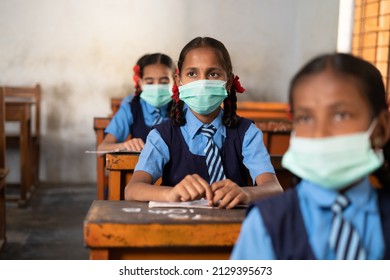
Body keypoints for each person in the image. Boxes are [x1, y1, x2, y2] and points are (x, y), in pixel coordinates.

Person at [231, 53, 390, 259]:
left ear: (381, 128)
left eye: (341, 115)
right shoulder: (266, 223)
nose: (320, 134)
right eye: (305, 118)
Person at [125, 37, 283, 209]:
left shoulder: (246, 133)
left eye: (213, 74)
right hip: (178, 228)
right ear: (179, 81)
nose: (202, 83)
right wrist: (169, 194)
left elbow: (274, 188)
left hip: (235, 228)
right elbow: (132, 189)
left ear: (228, 82)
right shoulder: (162, 135)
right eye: (192, 74)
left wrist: (247, 193)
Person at [98, 53, 176, 152]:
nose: (157, 88)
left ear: (175, 80)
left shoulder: (183, 107)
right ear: (140, 83)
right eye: (149, 82)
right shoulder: (131, 107)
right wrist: (125, 145)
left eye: (164, 82)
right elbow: (102, 148)